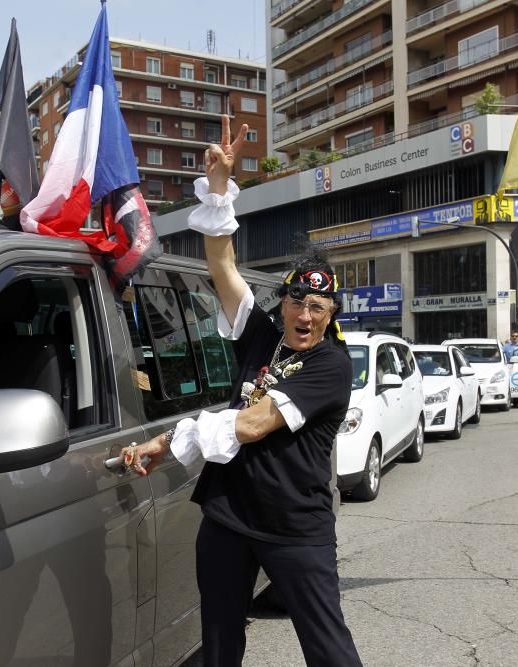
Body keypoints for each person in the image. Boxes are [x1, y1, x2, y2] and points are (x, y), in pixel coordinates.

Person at [122, 115, 362, 667]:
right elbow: (222, 262)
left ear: (330, 316)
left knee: (328, 650)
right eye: (298, 303)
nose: (305, 315)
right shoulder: (262, 334)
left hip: (293, 530)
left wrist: (170, 440)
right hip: (229, 519)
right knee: (220, 641)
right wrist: (223, 189)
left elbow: (252, 425)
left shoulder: (331, 365)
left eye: (318, 308)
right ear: (283, 305)